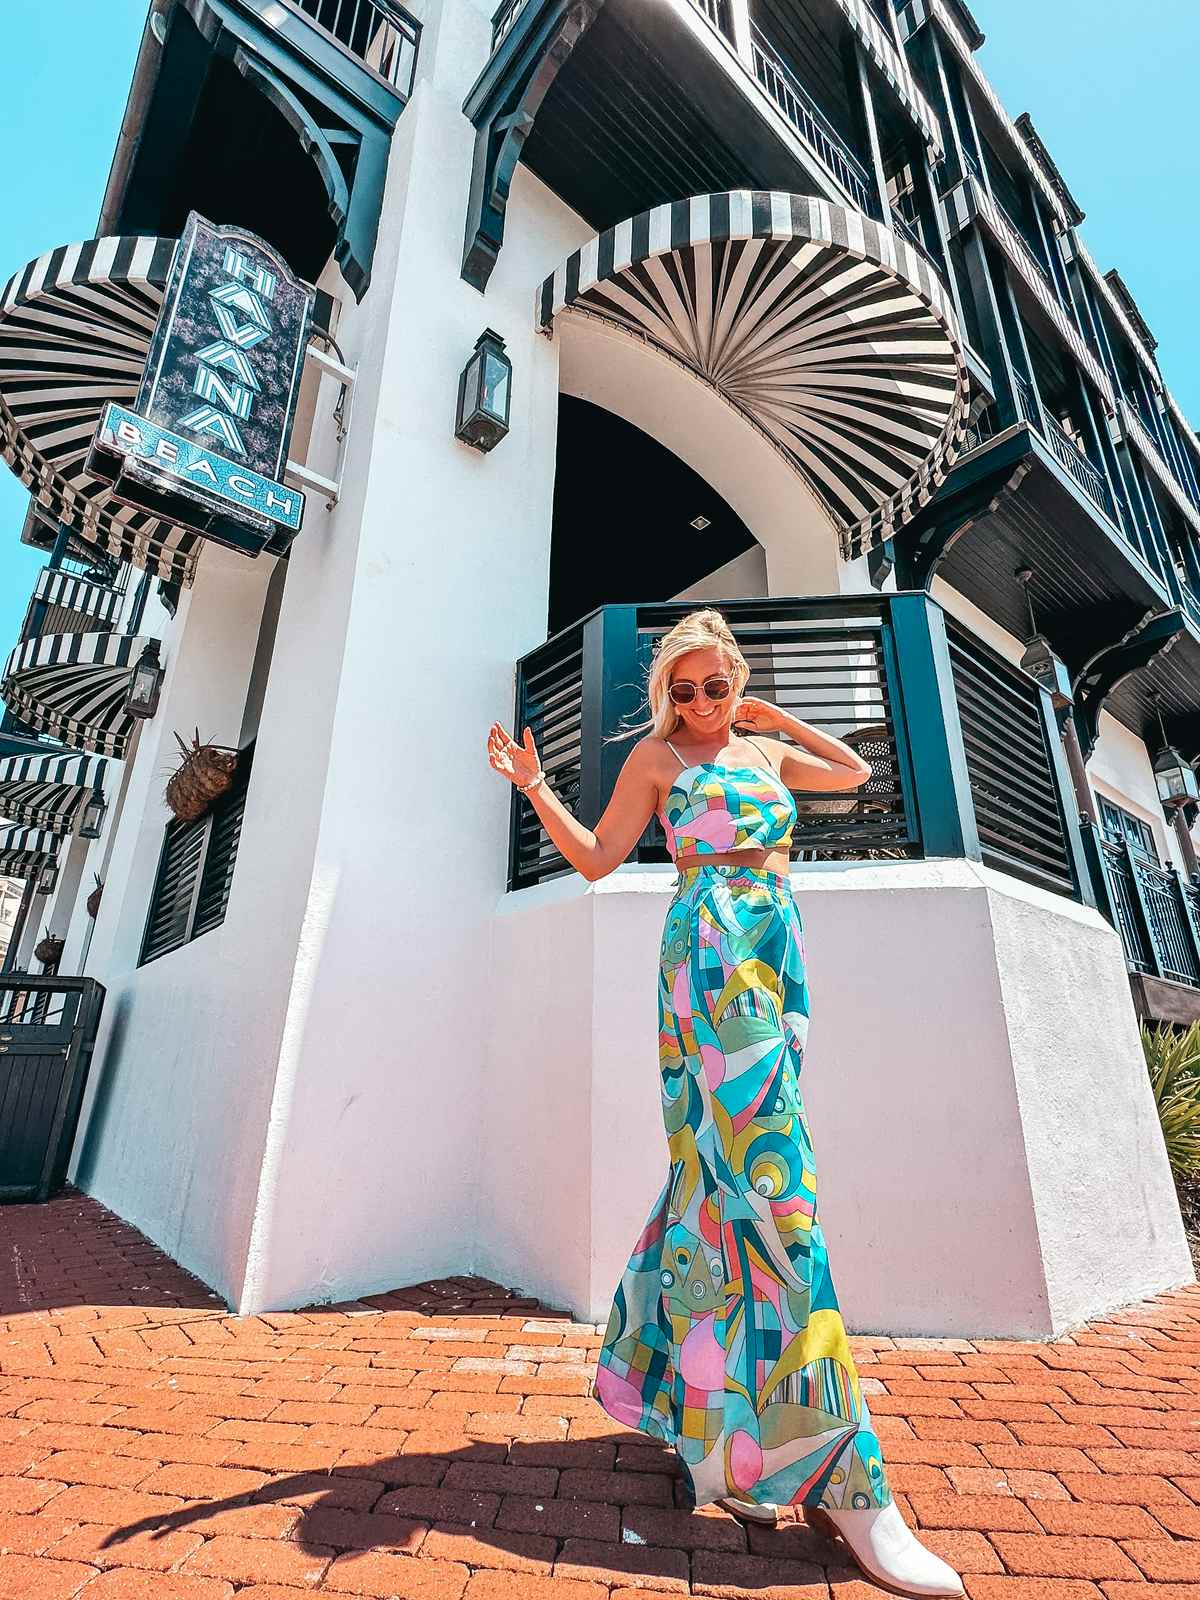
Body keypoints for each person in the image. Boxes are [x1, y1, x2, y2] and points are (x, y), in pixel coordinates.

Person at [488, 607, 962, 1599]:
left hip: (776, 958)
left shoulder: (763, 753)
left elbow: (858, 774)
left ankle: (718, 1432)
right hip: (710, 967)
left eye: (714, 686)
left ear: (736, 682)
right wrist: (535, 786)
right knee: (780, 1208)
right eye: (685, 689)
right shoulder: (658, 761)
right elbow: (596, 856)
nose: (700, 704)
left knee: (721, 1191)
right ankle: (844, 1478)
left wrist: (778, 723)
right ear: (668, 695)